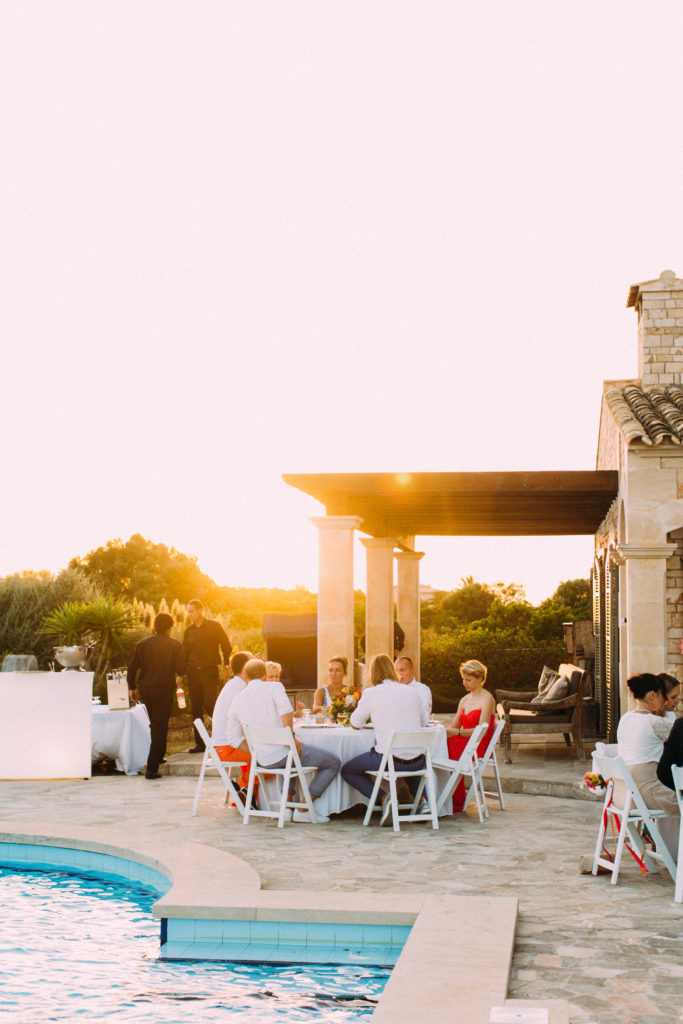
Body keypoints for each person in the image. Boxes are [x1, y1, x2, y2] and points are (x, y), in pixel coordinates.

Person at [226, 659, 341, 822]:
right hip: (283, 756)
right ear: (265, 675)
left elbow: (233, 738)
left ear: (246, 676)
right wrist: (291, 739)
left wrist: (255, 751)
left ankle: (286, 808)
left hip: (262, 761)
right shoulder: (274, 687)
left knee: (291, 758)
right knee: (333, 762)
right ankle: (303, 809)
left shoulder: (238, 699)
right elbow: (286, 712)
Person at [341, 653, 428, 822]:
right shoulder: (412, 691)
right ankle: (422, 802)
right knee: (410, 756)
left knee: (348, 770)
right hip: (419, 761)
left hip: (390, 761)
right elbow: (424, 721)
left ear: (372, 673)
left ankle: (384, 798)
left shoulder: (372, 693)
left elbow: (355, 723)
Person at [616, 673, 678, 858]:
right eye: (662, 695)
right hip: (648, 792)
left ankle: (671, 853)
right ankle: (676, 855)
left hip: (626, 792)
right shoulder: (654, 722)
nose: (665, 699)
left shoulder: (625, 718)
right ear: (652, 695)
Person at [127, 612, 185, 779]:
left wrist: (132, 688)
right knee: (160, 726)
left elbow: (132, 668)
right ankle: (152, 769)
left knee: (156, 724)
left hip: (146, 689)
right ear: (170, 627)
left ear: (154, 626)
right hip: (163, 689)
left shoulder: (143, 644)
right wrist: (179, 674)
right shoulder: (174, 644)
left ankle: (159, 756)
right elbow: (181, 668)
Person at [181, 599, 233, 753]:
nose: (189, 614)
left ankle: (221, 739)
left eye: (191, 611)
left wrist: (226, 665)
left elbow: (226, 646)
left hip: (210, 670)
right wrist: (180, 673)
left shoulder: (214, 626)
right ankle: (200, 744)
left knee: (211, 704)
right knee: (195, 707)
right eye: (188, 611)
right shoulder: (188, 631)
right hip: (192, 672)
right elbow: (184, 653)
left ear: (200, 610)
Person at [445, 659, 495, 813]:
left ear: (480, 678)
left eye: (469, 680)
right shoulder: (464, 700)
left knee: (450, 746)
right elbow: (454, 726)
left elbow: (482, 730)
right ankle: (444, 795)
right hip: (465, 741)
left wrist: (457, 732)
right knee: (441, 744)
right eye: (463, 679)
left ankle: (454, 799)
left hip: (478, 744)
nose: (465, 683)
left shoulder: (487, 699)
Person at [211, 651, 254, 795]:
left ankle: (248, 792)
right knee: (271, 758)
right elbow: (250, 722)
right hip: (227, 749)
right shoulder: (241, 689)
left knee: (268, 755)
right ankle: (244, 787)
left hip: (224, 745)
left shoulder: (234, 684)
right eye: (253, 663)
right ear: (246, 667)